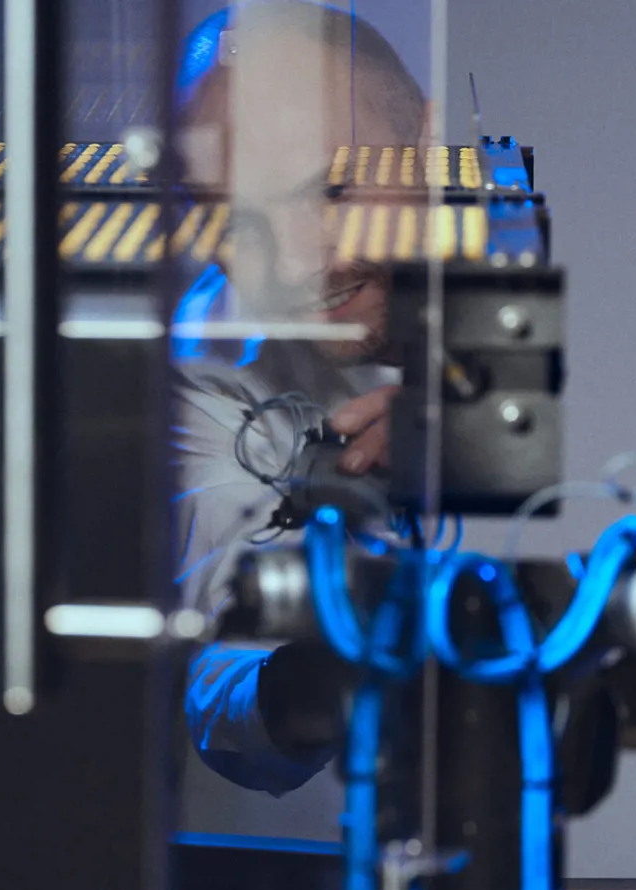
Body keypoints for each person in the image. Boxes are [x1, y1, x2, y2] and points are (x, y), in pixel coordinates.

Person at [170, 1, 427, 794]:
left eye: (331, 191)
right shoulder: (204, 364)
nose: (293, 258)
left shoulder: (569, 248)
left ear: (428, 146)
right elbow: (229, 668)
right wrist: (357, 660)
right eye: (241, 218)